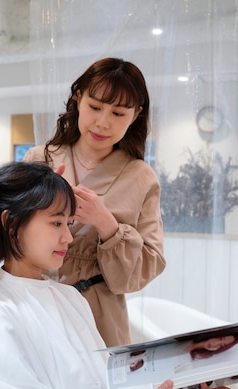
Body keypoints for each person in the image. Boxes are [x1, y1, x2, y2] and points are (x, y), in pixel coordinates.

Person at [0, 161, 216, 389]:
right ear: (11, 224)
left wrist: (172, 388)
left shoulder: (69, 297)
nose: (68, 237)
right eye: (56, 223)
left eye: (69, 223)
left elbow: (105, 387)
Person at [23, 57, 165, 347]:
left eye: (118, 113)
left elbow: (147, 267)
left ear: (136, 114)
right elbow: (2, 233)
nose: (103, 122)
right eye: (95, 107)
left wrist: (106, 223)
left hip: (99, 318)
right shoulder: (40, 160)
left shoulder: (141, 178)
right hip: (36, 305)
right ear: (79, 99)